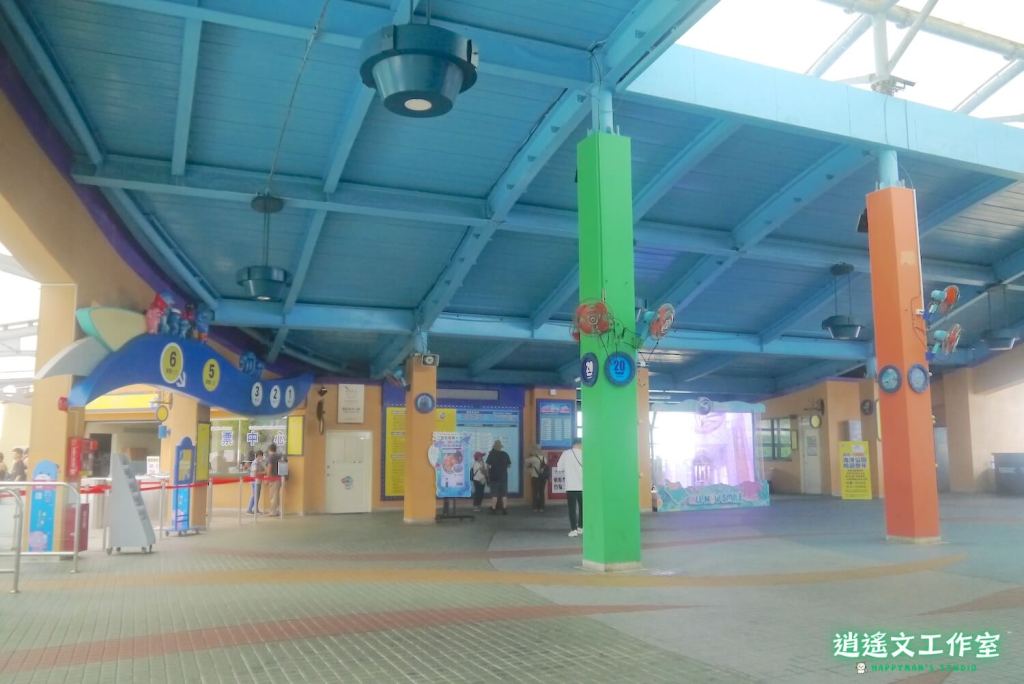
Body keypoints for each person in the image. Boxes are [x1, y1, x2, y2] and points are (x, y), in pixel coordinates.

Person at [557, 438, 583, 537]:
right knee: (583, 508)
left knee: (572, 509)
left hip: (571, 486)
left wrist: (568, 468)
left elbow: (559, 468)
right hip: (583, 486)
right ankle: (581, 527)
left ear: (573, 444)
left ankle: (573, 530)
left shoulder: (566, 453)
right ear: (580, 444)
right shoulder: (585, 453)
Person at [485, 440, 511, 515]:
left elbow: (488, 466)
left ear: (494, 447)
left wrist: (488, 475)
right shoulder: (505, 454)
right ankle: (504, 509)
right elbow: (509, 465)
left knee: (494, 494)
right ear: (500, 447)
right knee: (504, 494)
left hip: (494, 477)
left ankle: (493, 509)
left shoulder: (491, 454)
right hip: (503, 477)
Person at [526, 445, 548, 512]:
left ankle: (535, 507)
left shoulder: (533, 458)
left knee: (535, 492)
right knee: (542, 492)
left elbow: (525, 461)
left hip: (535, 477)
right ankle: (542, 507)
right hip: (543, 478)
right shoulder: (544, 458)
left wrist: (530, 455)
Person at [264, 443, 282, 516]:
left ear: (269, 449)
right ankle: (277, 510)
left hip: (273, 478)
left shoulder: (271, 457)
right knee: (276, 495)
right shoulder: (279, 456)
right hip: (279, 477)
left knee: (273, 495)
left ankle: (273, 511)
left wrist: (267, 479)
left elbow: (269, 468)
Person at [246, 450, 265, 514]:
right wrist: (264, 472)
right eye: (261, 456)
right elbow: (255, 473)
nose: (262, 457)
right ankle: (249, 509)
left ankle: (256, 509)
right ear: (258, 456)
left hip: (258, 481)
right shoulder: (255, 463)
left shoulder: (259, 462)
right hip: (255, 482)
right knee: (254, 495)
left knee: (257, 495)